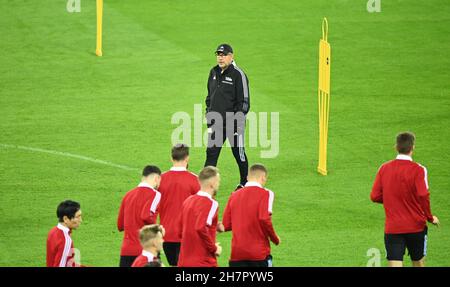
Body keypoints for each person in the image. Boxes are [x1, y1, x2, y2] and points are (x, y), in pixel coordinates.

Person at [371, 132, 439, 267]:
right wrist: (430, 217)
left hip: (393, 228)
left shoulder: (384, 168)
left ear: (396, 147)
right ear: (413, 147)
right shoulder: (419, 170)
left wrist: (392, 198)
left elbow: (375, 196)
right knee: (418, 262)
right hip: (416, 227)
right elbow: (423, 195)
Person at [204, 43, 250, 190]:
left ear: (231, 56)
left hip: (234, 124)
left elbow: (244, 102)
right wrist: (209, 114)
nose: (220, 57)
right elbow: (209, 97)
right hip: (216, 123)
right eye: (218, 54)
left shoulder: (238, 75)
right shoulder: (213, 72)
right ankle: (206, 186)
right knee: (211, 154)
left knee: (238, 153)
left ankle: (245, 182)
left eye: (223, 55)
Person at [222, 164, 280, 267]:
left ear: (248, 177)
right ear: (263, 178)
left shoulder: (234, 195)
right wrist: (274, 238)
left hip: (237, 254)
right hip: (258, 254)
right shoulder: (266, 194)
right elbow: (264, 219)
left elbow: (226, 225)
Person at [158, 144, 200, 266]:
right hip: (188, 235)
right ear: (187, 158)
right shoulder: (195, 180)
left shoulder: (160, 179)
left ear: (171, 158)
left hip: (166, 234)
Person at [117, 165, 162, 267]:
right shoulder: (155, 194)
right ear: (156, 178)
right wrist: (158, 229)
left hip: (126, 251)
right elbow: (146, 216)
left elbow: (120, 225)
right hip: (145, 251)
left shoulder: (128, 195)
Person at [178, 166, 223, 267]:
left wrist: (215, 227)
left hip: (184, 261)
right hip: (203, 262)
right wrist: (214, 248)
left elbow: (180, 231)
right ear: (212, 183)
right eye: (218, 181)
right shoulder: (211, 203)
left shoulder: (188, 201)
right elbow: (200, 227)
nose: (219, 184)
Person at [46, 200, 83, 267]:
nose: (81, 220)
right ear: (65, 219)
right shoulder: (65, 240)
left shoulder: (53, 232)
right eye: (78, 217)